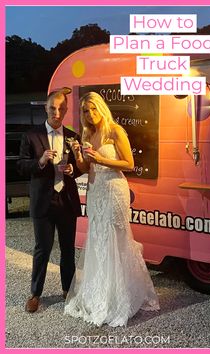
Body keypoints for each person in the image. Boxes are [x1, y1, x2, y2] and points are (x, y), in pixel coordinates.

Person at [64, 92, 160, 327]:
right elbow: (86, 168)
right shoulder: (87, 133)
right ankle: (99, 293)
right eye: (85, 111)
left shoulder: (115, 130)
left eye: (93, 109)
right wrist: (78, 154)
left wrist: (101, 159)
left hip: (114, 189)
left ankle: (120, 296)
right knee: (98, 239)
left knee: (116, 239)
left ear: (101, 108)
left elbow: (129, 163)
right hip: (95, 190)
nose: (90, 114)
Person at [17, 90, 83, 313]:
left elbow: (79, 168)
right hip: (43, 202)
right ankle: (35, 293)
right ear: (45, 108)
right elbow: (21, 166)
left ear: (66, 110)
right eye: (52, 107)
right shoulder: (31, 135)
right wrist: (42, 160)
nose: (57, 112)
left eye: (61, 108)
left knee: (68, 250)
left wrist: (74, 170)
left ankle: (68, 290)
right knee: (42, 249)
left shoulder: (74, 136)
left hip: (66, 200)